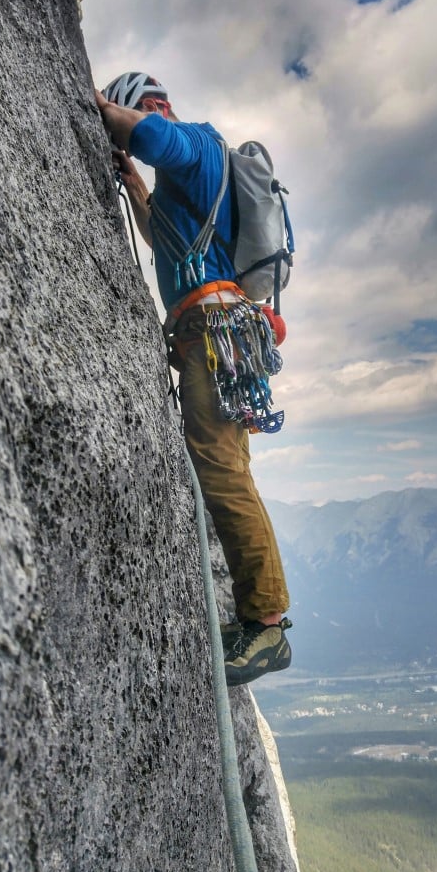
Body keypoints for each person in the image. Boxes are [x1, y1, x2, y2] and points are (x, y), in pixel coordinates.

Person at [94, 72, 292, 686]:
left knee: (223, 471)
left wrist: (97, 106)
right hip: (212, 328)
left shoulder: (197, 142)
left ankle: (266, 627)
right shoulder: (188, 190)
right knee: (225, 466)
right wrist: (136, 194)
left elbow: (155, 137)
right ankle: (263, 618)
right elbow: (172, 250)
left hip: (213, 331)